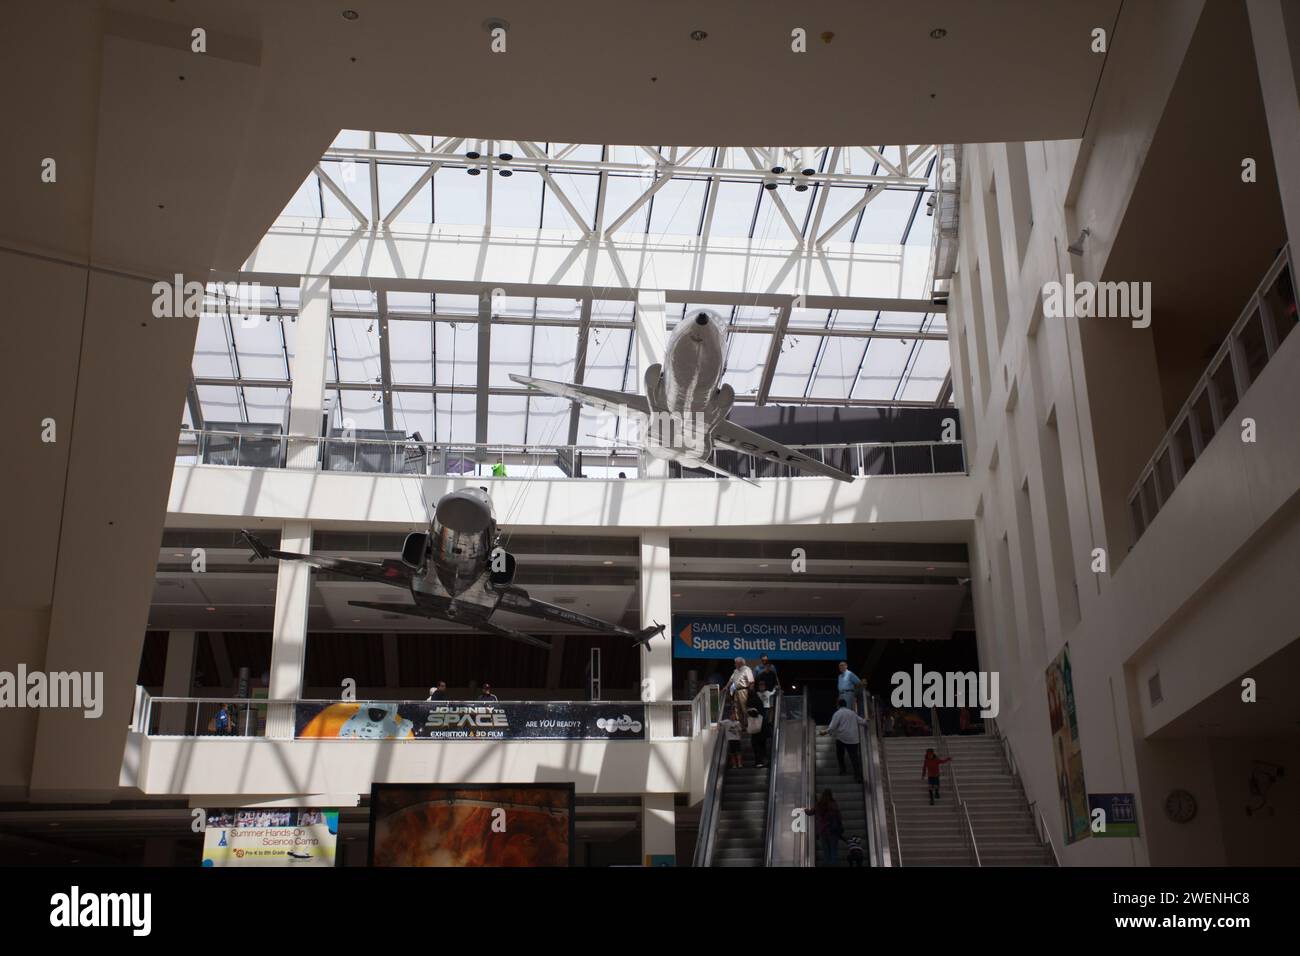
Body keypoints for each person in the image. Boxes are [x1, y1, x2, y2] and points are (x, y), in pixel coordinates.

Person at [821, 699, 868, 783]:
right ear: (845, 705)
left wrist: (825, 732)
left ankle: (843, 770)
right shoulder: (852, 713)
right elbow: (862, 721)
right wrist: (867, 721)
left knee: (840, 755)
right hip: (853, 739)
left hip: (841, 738)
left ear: (838, 705)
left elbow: (832, 727)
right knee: (854, 758)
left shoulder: (837, 713)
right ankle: (858, 777)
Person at [804, 789, 844, 866]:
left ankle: (827, 864)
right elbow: (839, 817)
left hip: (823, 832)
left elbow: (810, 812)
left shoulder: (819, 805)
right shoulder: (833, 804)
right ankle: (833, 865)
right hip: (833, 831)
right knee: (833, 851)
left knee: (826, 851)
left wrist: (805, 810)